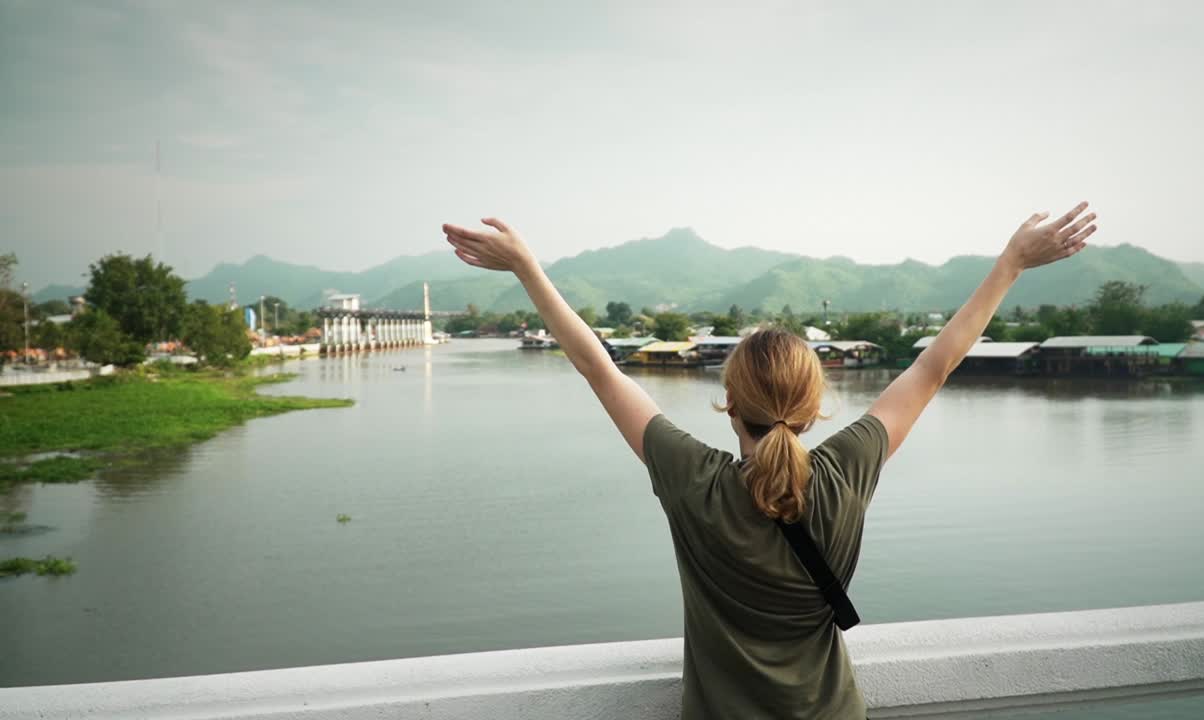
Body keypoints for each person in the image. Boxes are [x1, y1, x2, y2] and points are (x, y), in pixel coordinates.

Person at [442, 203, 1096, 719]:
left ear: (727, 403)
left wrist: (528, 267)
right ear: (815, 409)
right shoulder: (846, 470)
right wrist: (1011, 262)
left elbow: (598, 368)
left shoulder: (690, 478)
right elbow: (935, 363)